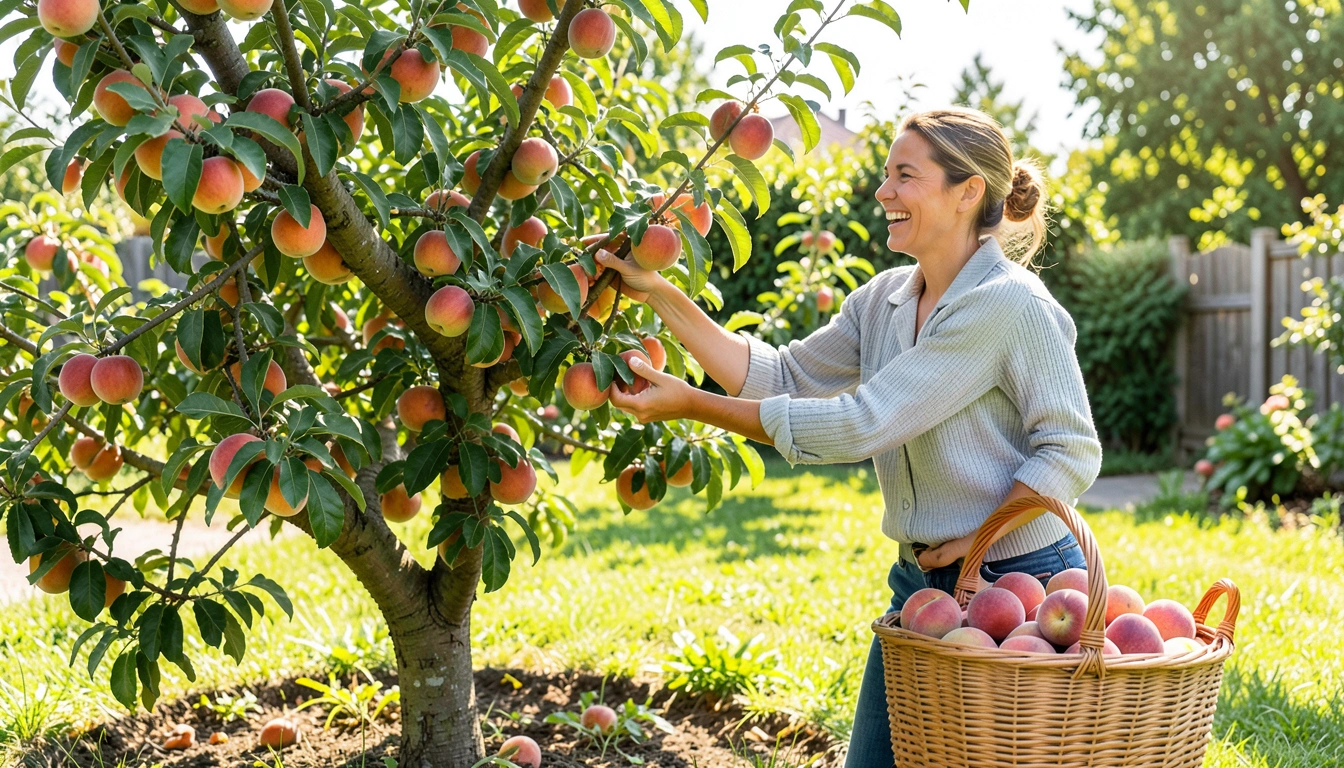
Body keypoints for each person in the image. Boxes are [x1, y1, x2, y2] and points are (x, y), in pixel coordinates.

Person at [598, 106, 1102, 766]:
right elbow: (781, 373)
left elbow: (1066, 445)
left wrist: (693, 406)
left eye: (904, 176)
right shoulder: (885, 299)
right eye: (884, 175)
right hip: (921, 580)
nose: (883, 192)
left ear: (967, 191)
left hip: (1023, 587)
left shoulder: (1007, 305)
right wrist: (658, 292)